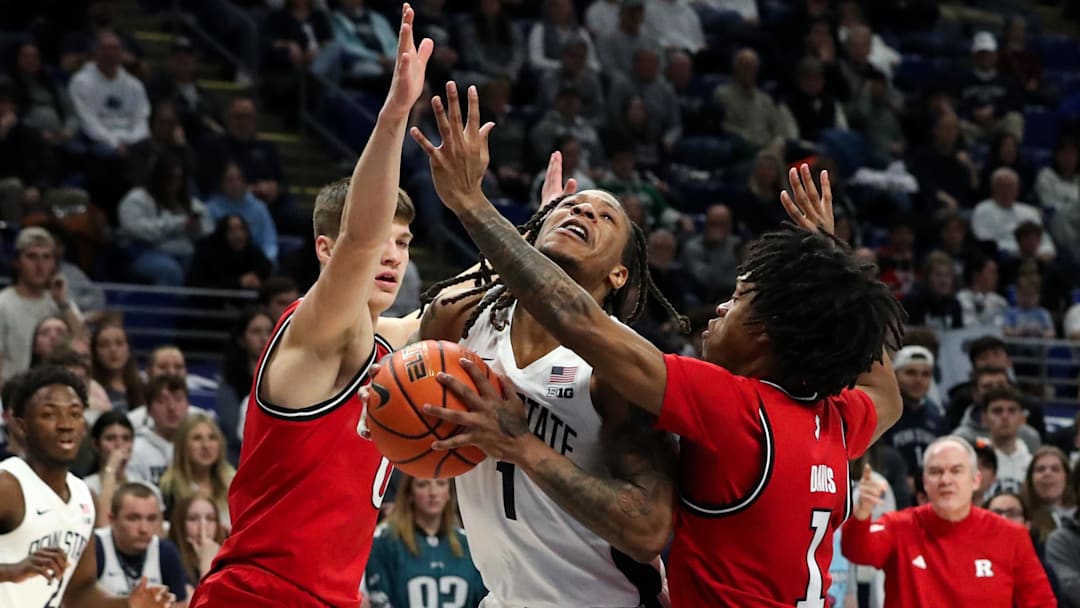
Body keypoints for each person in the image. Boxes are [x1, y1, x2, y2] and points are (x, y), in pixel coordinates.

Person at [411, 84, 905, 606]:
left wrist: (469, 202)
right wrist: (830, 275)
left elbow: (577, 317)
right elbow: (886, 391)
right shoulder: (836, 418)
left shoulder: (733, 411)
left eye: (736, 299)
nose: (717, 309)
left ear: (767, 331)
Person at [189, 9, 432, 607]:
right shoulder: (312, 327)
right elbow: (359, 235)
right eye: (382, 240)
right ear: (325, 248)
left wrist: (541, 230)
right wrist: (395, 115)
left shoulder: (394, 342)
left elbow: (471, 296)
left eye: (404, 244)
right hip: (257, 594)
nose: (391, 256)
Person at [408, 86, 679, 607]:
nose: (582, 211)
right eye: (571, 205)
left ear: (620, 273)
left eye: (606, 218)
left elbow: (648, 526)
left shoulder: (615, 371)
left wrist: (521, 446)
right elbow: (417, 437)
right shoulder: (460, 317)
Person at [0, 365, 175, 607]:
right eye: (49, 414)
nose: (65, 424)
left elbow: (78, 594)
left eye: (75, 413)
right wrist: (12, 571)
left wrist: (129, 604)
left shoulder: (84, 497)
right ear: (22, 426)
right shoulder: (8, 485)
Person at [842, 436, 1056, 607]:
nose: (946, 480)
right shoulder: (899, 526)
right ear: (925, 482)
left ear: (976, 480)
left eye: (956, 470)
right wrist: (861, 514)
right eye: (936, 472)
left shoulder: (1011, 535)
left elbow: (1040, 601)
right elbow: (857, 551)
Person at [365, 476, 485, 608]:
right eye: (422, 485)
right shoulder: (385, 541)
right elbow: (379, 599)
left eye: (441, 483)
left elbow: (483, 597)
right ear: (409, 493)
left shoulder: (469, 543)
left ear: (449, 493)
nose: (433, 493)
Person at [0, 226, 86, 382]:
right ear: (17, 261)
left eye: (46, 257)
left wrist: (63, 304)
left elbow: (83, 348)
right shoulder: (3, 304)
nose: (40, 266)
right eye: (31, 257)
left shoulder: (60, 303)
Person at [95, 482, 188, 604]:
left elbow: (181, 604)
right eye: (133, 518)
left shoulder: (166, 552)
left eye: (151, 519)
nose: (144, 529)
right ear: (112, 519)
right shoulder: (94, 547)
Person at [157, 414, 235, 529]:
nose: (206, 445)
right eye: (197, 438)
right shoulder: (168, 490)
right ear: (183, 445)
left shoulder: (233, 482)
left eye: (212, 438)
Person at [127, 375, 190, 486]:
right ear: (149, 410)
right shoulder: (135, 450)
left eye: (178, 399)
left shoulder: (197, 445)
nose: (171, 407)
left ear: (187, 406)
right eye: (161, 401)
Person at [83, 411, 135, 527]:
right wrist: (110, 469)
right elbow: (103, 527)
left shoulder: (143, 484)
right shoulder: (85, 487)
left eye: (126, 438)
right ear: (95, 444)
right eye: (110, 438)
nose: (119, 445)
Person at [166, 494, 224, 596]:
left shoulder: (229, 559)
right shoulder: (170, 560)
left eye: (210, 519)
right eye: (193, 519)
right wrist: (207, 562)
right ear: (179, 524)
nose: (203, 526)